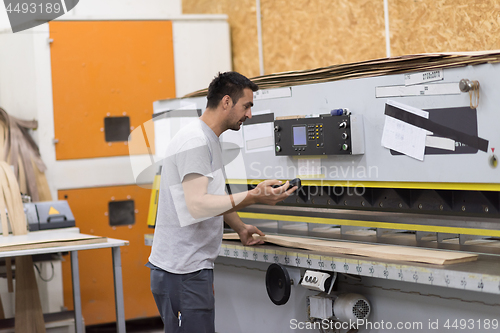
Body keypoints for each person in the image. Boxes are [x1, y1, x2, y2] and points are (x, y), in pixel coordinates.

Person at [147, 71, 297, 333]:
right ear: (226, 102)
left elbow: (212, 196)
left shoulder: (209, 139)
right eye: (246, 106)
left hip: (189, 269)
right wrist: (253, 196)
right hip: (183, 272)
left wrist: (239, 227)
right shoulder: (195, 141)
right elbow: (197, 205)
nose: (249, 114)